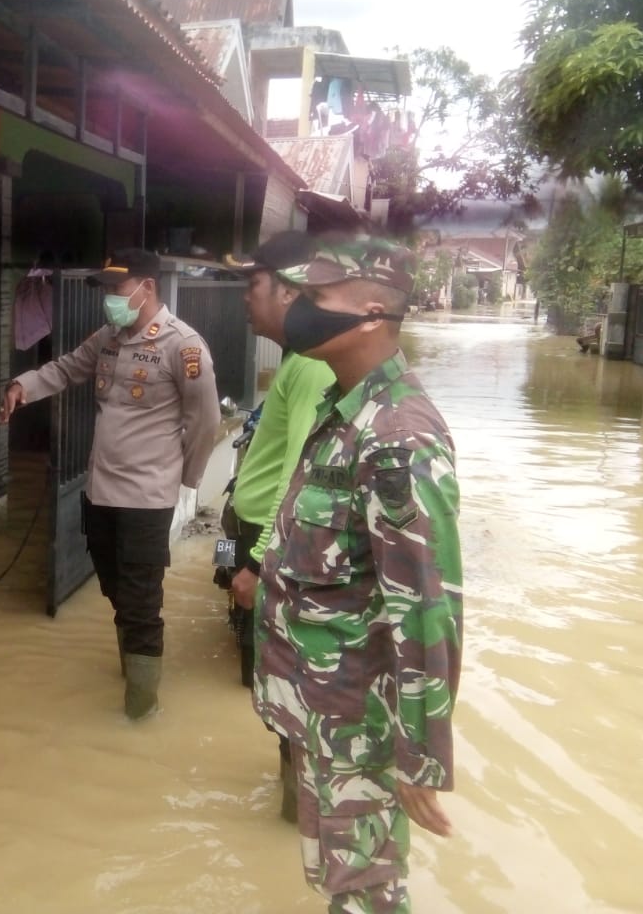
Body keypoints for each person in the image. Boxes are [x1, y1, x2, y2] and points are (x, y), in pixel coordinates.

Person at [243, 238, 463, 913]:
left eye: (314, 299)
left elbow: (426, 606)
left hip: (361, 724)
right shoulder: (344, 411)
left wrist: (420, 757)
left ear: (371, 314)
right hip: (324, 711)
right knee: (336, 882)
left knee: (365, 895)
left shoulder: (399, 437)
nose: (298, 310)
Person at [0, 248, 220, 719]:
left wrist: (186, 479)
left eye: (118, 291)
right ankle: (134, 668)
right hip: (101, 492)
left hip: (146, 496)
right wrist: (23, 385)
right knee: (114, 586)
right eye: (107, 292)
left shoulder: (184, 346)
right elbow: (65, 369)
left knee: (141, 599)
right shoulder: (109, 338)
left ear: (147, 288)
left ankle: (141, 709)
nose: (110, 301)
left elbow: (205, 421)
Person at [217, 231, 336, 823]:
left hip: (271, 538)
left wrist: (257, 563)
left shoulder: (311, 368)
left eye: (253, 283)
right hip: (247, 523)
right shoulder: (295, 361)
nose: (245, 297)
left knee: (281, 681)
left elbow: (300, 469)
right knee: (270, 677)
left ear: (289, 291)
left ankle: (296, 811)